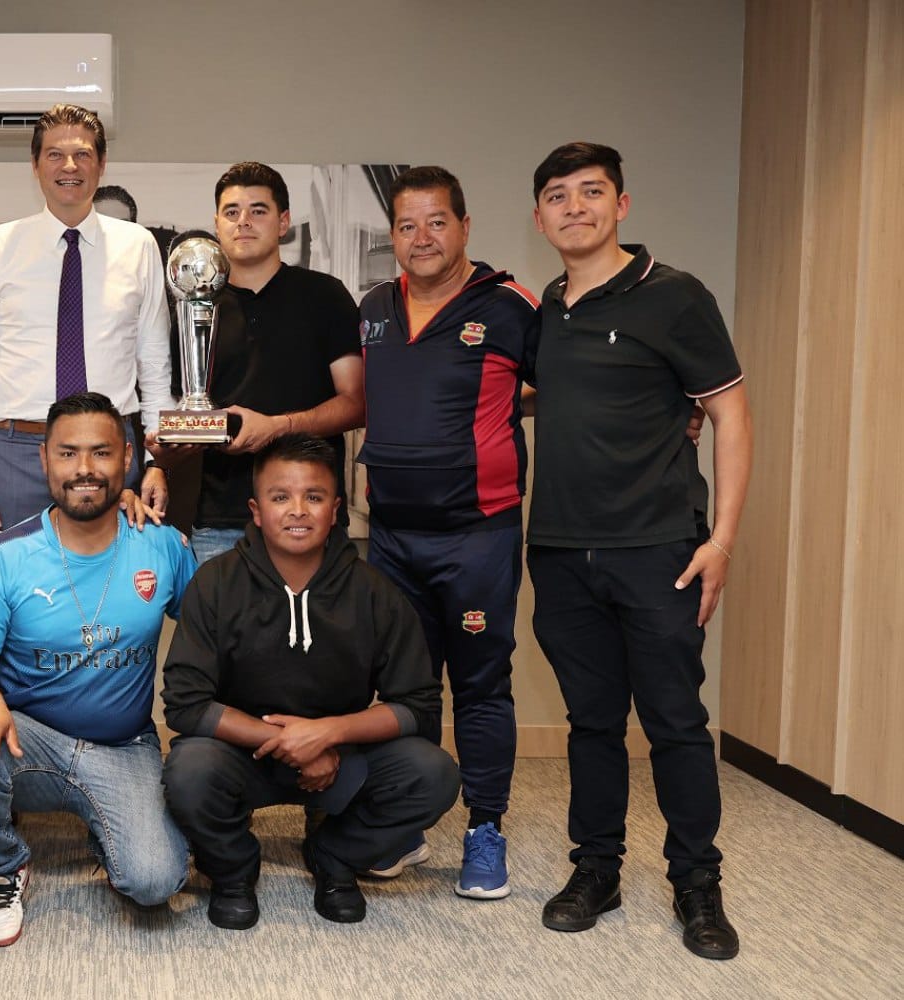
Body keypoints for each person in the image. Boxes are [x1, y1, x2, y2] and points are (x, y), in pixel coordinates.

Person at [528, 142, 752, 960]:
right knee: (592, 723)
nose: (575, 207)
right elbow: (558, 394)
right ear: (539, 217)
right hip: (559, 548)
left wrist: (721, 539)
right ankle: (598, 869)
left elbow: (730, 413)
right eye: (558, 195)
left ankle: (697, 883)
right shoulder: (547, 307)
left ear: (621, 204)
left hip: (659, 548)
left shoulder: (676, 296)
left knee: (675, 723)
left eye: (591, 192)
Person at [160, 434, 458, 929]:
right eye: (281, 497)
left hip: (341, 758)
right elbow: (186, 705)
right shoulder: (215, 583)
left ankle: (334, 856)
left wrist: (327, 735)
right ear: (256, 511)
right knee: (187, 771)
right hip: (245, 755)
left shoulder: (374, 592)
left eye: (313, 497)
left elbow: (417, 705)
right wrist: (289, 743)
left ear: (335, 509)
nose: (297, 510)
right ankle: (233, 871)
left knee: (434, 772)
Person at [0, 391, 196, 948]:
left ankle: (112, 830)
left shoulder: (160, 546)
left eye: (101, 452)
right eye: (68, 453)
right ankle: (0, 870)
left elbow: (211, 633)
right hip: (27, 741)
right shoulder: (6, 555)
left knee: (155, 881)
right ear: (44, 460)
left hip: (124, 746)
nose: (84, 469)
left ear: (126, 457)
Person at [355, 166, 540, 899]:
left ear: (465, 227)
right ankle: (407, 824)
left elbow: (573, 383)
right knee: (404, 688)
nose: (422, 237)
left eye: (437, 222)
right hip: (392, 536)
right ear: (393, 235)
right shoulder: (374, 306)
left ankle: (485, 828)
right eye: (407, 225)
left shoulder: (509, 305)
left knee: (480, 685)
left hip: (477, 535)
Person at [0, 104, 172, 531]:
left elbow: (156, 367)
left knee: (109, 572)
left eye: (82, 154)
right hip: (15, 453)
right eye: (54, 154)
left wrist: (156, 462)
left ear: (102, 164)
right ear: (35, 165)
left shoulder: (139, 245)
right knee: (13, 572)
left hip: (109, 451)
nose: (69, 166)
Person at [153, 162, 363, 567]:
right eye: (231, 212)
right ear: (217, 224)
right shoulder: (191, 308)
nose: (243, 221)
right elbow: (181, 410)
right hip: (217, 521)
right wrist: (167, 449)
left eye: (258, 210)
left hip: (310, 514)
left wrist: (277, 427)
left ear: (283, 222)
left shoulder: (325, 296)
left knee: (318, 613)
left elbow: (355, 404)